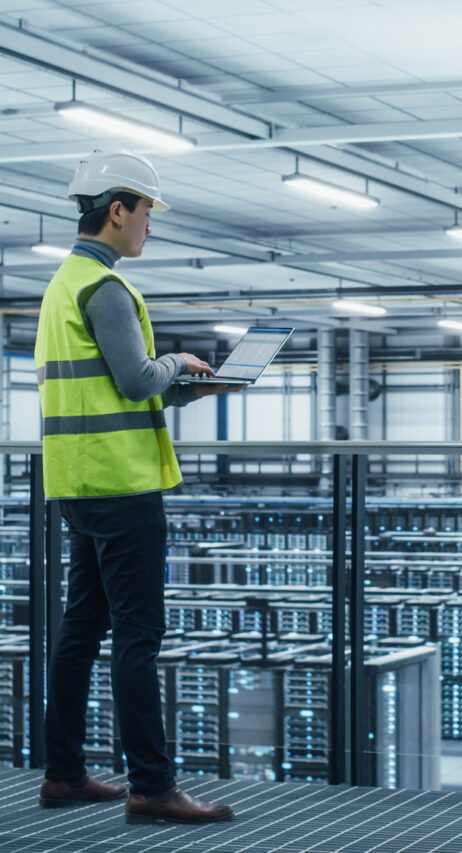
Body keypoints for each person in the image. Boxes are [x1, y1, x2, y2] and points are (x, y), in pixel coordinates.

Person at [34, 150, 238, 824]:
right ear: (116, 209)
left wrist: (184, 384)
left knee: (81, 630)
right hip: (122, 484)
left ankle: (62, 772)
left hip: (78, 480)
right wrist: (177, 362)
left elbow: (113, 386)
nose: (151, 224)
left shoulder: (66, 283)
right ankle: (152, 784)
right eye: (147, 211)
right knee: (136, 637)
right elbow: (136, 379)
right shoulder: (108, 289)